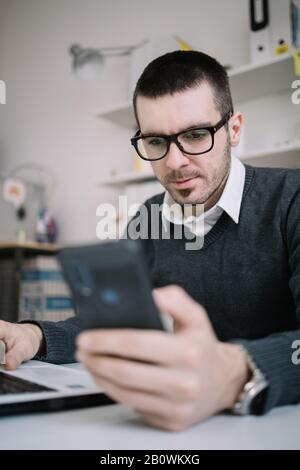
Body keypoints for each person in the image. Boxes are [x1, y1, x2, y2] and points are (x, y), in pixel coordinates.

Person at [1, 50, 300, 431]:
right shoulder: (148, 217)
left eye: (195, 135)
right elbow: (112, 329)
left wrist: (233, 373)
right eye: (156, 141)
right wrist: (35, 336)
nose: (175, 161)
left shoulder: (292, 199)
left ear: (234, 129)